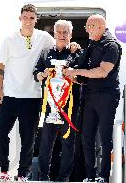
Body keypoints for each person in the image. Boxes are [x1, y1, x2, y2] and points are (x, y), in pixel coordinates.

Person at [0, 4, 55, 181]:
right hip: (10, 96)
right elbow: (0, 66)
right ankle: (4, 170)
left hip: (32, 97)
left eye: (31, 18)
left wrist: (72, 45)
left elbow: (59, 46)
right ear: (20, 18)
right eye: (25, 17)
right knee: (1, 134)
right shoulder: (9, 39)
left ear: (36, 19)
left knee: (28, 139)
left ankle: (22, 174)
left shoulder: (44, 38)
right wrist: (0, 90)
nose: (28, 21)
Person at [63, 14, 122, 183]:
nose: (87, 29)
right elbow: (86, 74)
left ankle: (103, 176)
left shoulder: (111, 45)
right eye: (86, 27)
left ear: (101, 27)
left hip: (106, 96)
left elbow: (102, 72)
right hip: (89, 95)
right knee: (86, 137)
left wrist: (76, 72)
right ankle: (90, 175)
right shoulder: (93, 43)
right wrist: (71, 76)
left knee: (104, 138)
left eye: (90, 26)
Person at [33, 19, 81, 182]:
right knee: (45, 144)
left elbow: (83, 77)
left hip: (69, 107)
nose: (62, 35)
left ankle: (63, 178)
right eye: (59, 32)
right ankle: (43, 177)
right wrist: (43, 74)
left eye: (65, 32)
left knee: (68, 144)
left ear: (71, 34)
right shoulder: (45, 52)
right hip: (49, 107)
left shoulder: (76, 53)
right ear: (54, 34)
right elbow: (36, 75)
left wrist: (72, 75)